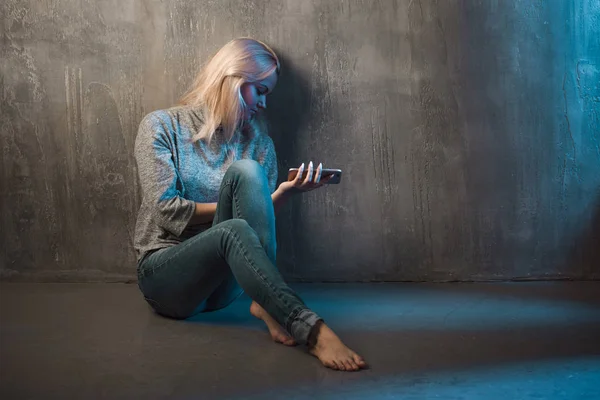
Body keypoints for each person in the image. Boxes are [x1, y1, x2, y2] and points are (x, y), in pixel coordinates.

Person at [134, 38, 367, 371]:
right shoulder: (161, 127)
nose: (263, 104)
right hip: (168, 279)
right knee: (232, 229)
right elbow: (165, 210)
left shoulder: (258, 143)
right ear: (233, 79)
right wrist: (231, 209)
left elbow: (254, 227)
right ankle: (309, 328)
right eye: (260, 91)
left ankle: (265, 303)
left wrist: (284, 194)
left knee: (247, 172)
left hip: (226, 288)